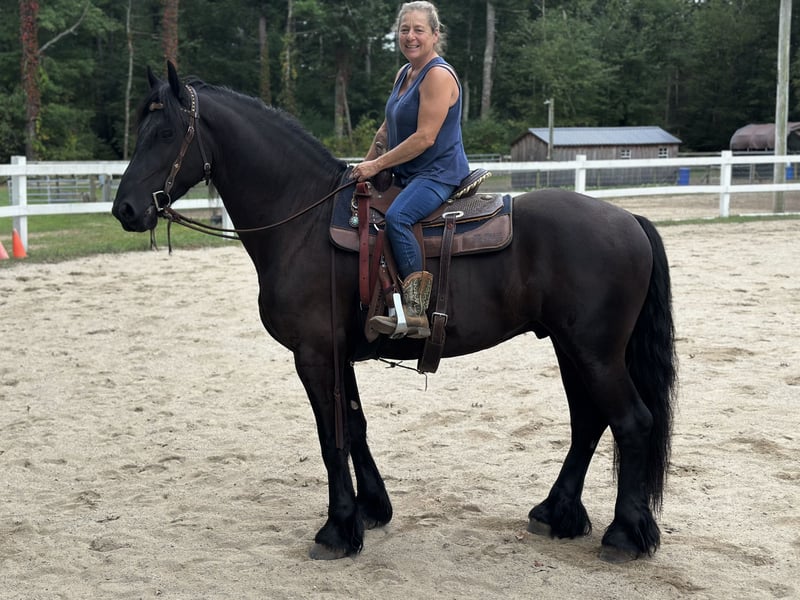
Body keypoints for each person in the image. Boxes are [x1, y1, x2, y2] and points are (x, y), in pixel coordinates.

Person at [351, 1, 470, 339]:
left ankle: (417, 312)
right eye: (404, 30)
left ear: (435, 34)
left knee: (399, 217)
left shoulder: (437, 75)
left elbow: (425, 137)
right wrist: (361, 168)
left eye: (419, 29)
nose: (410, 36)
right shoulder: (405, 73)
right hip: (408, 173)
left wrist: (377, 165)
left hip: (437, 174)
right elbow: (386, 130)